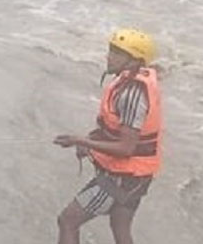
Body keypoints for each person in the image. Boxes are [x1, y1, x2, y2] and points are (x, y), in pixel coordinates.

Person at [54, 29, 163, 244]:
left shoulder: (132, 94)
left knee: (68, 221)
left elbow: (126, 148)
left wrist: (81, 141)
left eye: (117, 53)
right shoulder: (128, 82)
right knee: (120, 227)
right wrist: (90, 141)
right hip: (137, 177)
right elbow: (115, 130)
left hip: (123, 177)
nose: (109, 57)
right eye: (110, 51)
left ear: (134, 61)